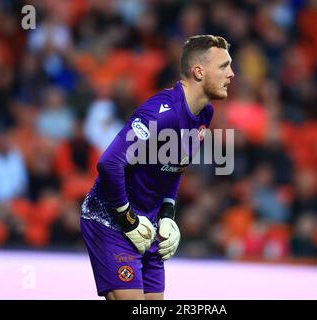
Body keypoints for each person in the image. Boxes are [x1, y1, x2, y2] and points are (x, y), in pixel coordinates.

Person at [80, 34, 234, 300]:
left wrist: (167, 213)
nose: (231, 74)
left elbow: (175, 166)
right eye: (224, 66)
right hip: (111, 221)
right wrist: (127, 219)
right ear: (199, 71)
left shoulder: (204, 114)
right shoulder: (161, 113)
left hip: (147, 226)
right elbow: (109, 163)